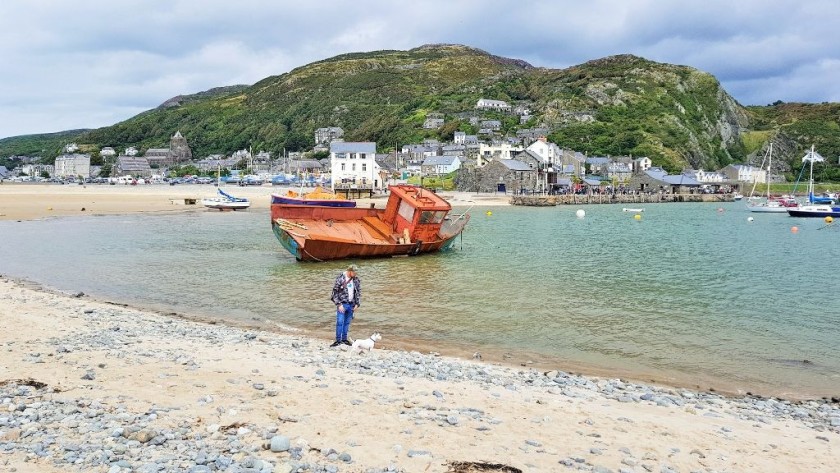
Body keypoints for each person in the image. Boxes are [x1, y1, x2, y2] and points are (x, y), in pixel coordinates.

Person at [330, 264, 361, 347]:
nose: (356, 274)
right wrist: (339, 304)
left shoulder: (356, 280)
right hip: (342, 304)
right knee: (340, 322)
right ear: (349, 271)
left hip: (351, 304)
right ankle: (338, 340)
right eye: (354, 272)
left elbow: (358, 292)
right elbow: (334, 294)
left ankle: (344, 339)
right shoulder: (340, 279)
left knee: (347, 323)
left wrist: (357, 304)